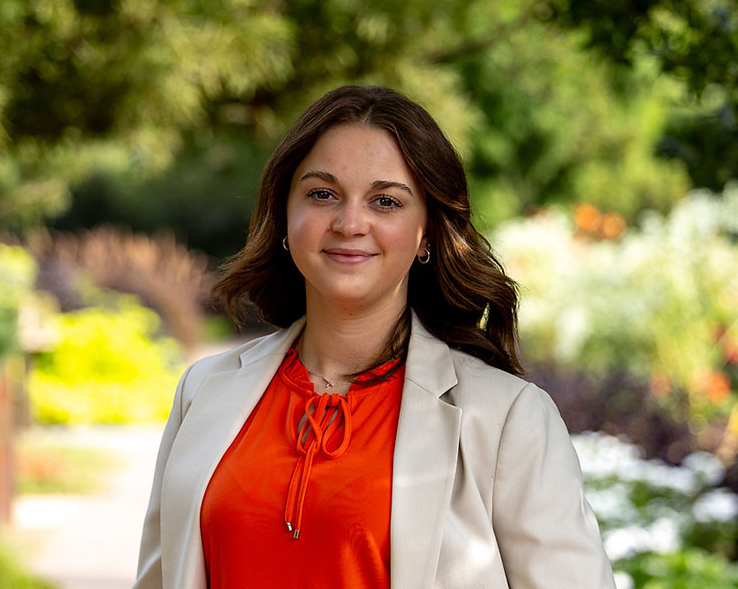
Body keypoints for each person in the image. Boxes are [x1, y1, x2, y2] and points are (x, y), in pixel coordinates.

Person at [133, 85, 616, 588]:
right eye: (322, 194)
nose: (350, 223)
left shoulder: (506, 419)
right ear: (284, 214)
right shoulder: (204, 391)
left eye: (385, 201)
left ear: (426, 232)